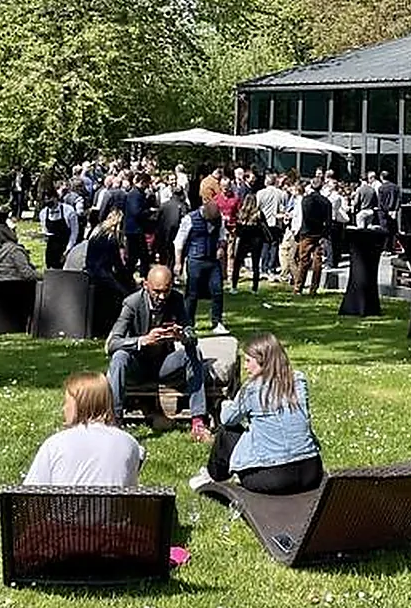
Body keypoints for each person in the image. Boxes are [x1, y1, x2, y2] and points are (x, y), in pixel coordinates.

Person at [188, 333, 322, 495]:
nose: (245, 367)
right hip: (312, 472)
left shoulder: (252, 389)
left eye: (248, 361)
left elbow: (227, 419)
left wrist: (224, 403)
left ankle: (212, 476)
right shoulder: (298, 381)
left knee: (226, 433)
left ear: (263, 361)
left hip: (274, 478)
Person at [105, 266, 213, 442]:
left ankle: (198, 422)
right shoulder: (132, 303)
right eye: (157, 292)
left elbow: (192, 336)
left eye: (166, 290)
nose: (162, 297)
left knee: (194, 352)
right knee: (119, 357)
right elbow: (112, 343)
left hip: (164, 364)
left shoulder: (176, 299)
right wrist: (142, 340)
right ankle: (115, 422)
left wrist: (182, 336)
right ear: (146, 285)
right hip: (137, 366)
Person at [23, 373, 144, 487]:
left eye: (67, 402)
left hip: (65, 509)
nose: (63, 408)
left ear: (81, 404)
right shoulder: (129, 443)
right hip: (112, 509)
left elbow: (28, 495)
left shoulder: (55, 444)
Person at [174, 200, 227, 334]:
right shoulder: (189, 219)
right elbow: (179, 241)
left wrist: (221, 247)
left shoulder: (218, 219)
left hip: (212, 260)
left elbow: (222, 236)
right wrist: (178, 262)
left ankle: (217, 322)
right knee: (192, 294)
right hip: (195, 259)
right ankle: (188, 324)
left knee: (218, 291)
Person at [65, 207, 135, 301]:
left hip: (89, 273)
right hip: (102, 276)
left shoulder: (96, 234)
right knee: (124, 295)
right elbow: (118, 265)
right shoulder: (112, 239)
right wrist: (128, 279)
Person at [292, 178, 332, 295]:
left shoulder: (305, 200)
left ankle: (298, 287)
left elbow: (303, 217)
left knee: (303, 261)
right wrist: (325, 234)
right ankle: (313, 288)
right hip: (319, 233)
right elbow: (329, 222)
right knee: (317, 261)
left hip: (306, 232)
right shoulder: (326, 202)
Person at [232, 192, 267, 294]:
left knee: (237, 264)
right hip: (256, 240)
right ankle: (254, 288)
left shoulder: (241, 213)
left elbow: (238, 230)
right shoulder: (259, 214)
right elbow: (264, 227)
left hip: (244, 240)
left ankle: (234, 286)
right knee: (255, 265)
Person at [37, 189, 78, 271]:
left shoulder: (69, 211)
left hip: (66, 245)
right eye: (45, 200)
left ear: (56, 198)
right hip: (51, 248)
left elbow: (74, 232)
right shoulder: (43, 213)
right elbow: (45, 231)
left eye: (49, 199)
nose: (47, 201)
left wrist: (67, 250)